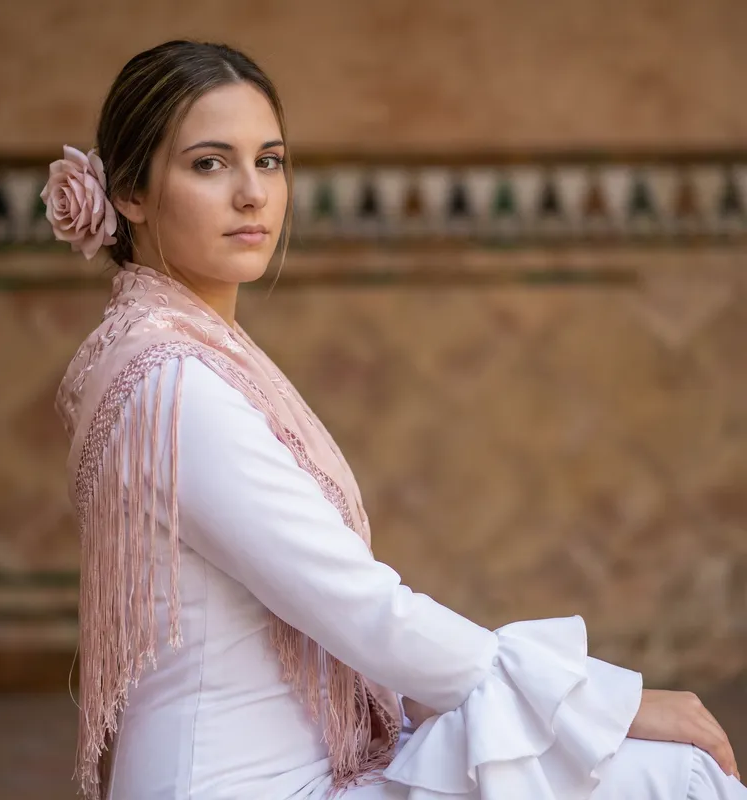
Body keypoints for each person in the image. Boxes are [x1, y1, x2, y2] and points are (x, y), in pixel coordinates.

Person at [45, 39, 744, 800]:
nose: (253, 193)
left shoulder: (171, 350)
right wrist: (606, 707)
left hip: (279, 768)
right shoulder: (175, 383)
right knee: (675, 778)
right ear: (130, 193)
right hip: (235, 784)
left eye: (270, 160)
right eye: (209, 164)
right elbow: (363, 611)